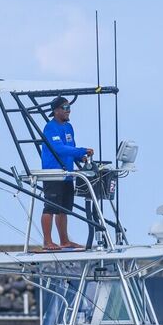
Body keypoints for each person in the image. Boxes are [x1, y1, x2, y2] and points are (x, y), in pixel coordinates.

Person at [40, 95, 93, 250]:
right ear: (56, 110)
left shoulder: (69, 127)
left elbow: (71, 147)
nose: (68, 110)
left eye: (69, 107)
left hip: (68, 174)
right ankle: (47, 242)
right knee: (50, 207)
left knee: (64, 209)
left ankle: (64, 241)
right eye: (65, 107)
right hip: (54, 172)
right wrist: (81, 150)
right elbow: (59, 148)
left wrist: (81, 156)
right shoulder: (50, 127)